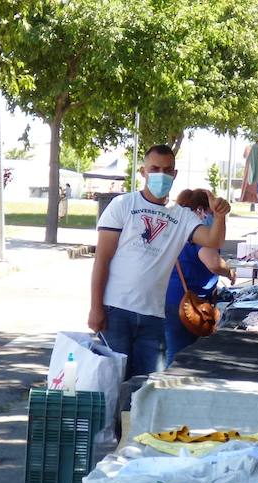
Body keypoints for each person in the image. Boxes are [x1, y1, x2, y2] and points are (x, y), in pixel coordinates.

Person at [90, 144, 230, 378]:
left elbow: (213, 239)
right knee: (111, 384)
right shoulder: (123, 205)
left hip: (154, 316)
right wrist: (96, 308)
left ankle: (135, 417)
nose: (161, 175)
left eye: (167, 170)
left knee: (147, 388)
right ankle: (114, 417)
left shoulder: (182, 216)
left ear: (174, 175)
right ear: (143, 171)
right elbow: (102, 260)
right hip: (116, 310)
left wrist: (219, 216)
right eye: (154, 168)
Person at [164, 189, 235, 364]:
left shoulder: (177, 227)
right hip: (185, 303)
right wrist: (229, 271)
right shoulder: (198, 232)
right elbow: (213, 262)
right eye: (212, 212)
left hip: (171, 298)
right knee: (178, 358)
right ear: (202, 210)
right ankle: (169, 389)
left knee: (172, 354)